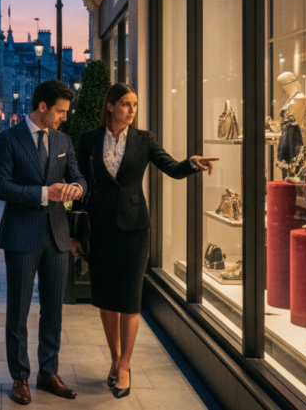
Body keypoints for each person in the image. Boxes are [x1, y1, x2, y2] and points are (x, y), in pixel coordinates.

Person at [75, 83, 217, 398]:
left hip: (134, 228)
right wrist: (75, 231)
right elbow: (79, 184)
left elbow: (171, 167)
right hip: (100, 227)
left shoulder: (144, 139)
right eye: (126, 104)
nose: (132, 110)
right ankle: (114, 358)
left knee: (129, 299)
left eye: (135, 105)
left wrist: (191, 163)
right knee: (106, 298)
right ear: (110, 106)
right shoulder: (89, 140)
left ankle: (125, 366)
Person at [0, 80, 86, 406]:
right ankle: (20, 376)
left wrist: (76, 188)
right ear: (42, 107)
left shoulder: (63, 140)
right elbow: (1, 187)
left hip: (57, 236)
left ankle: (49, 371)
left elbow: (78, 176)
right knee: (18, 309)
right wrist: (45, 193)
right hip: (21, 235)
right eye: (60, 111)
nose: (64, 117)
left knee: (53, 310)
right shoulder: (8, 139)